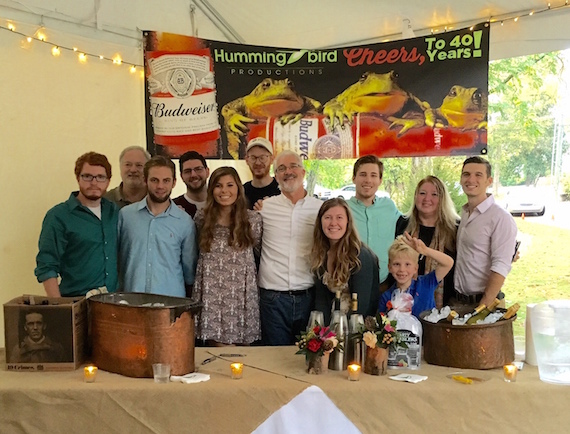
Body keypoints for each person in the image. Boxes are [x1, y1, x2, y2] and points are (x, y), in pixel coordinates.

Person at [258, 150, 322, 345]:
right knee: (275, 359)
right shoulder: (264, 208)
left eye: (293, 166)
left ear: (303, 172)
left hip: (309, 297)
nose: (288, 172)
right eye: (282, 168)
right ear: (275, 175)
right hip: (272, 300)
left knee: (309, 358)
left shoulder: (320, 209)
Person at [193, 167, 262, 345]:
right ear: (211, 190)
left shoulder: (252, 220)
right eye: (218, 185)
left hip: (240, 292)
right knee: (213, 348)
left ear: (238, 188)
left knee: (241, 352)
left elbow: (259, 253)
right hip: (211, 293)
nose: (224, 191)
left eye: (230, 185)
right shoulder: (202, 218)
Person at [35, 152, 118, 297]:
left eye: (100, 177)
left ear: (108, 181)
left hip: (112, 302)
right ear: (77, 178)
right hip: (77, 300)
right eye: (87, 176)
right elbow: (47, 264)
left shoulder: (114, 212)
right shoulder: (59, 216)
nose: (94, 182)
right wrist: (59, 307)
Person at [118, 156, 197, 297]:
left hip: (171, 304)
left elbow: (189, 272)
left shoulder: (185, 222)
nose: (160, 186)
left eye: (166, 180)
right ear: (145, 181)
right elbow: (118, 260)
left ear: (174, 182)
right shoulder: (126, 216)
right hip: (131, 302)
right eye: (154, 180)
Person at [453, 156, 517, 308]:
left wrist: (483, 307)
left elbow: (501, 265)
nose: (471, 179)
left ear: (489, 181)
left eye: (478, 175)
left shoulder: (500, 217)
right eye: (466, 174)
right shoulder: (464, 213)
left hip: (486, 303)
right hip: (459, 301)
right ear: (461, 179)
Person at [312, 198, 380, 325]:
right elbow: (321, 302)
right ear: (320, 221)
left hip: (356, 327)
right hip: (332, 327)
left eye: (339, 217)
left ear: (348, 221)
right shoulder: (322, 255)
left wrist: (341, 333)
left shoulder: (360, 256)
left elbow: (361, 306)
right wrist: (322, 333)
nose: (333, 223)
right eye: (327, 217)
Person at [395, 176, 460, 308]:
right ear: (415, 196)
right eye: (422, 193)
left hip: (444, 305)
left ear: (442, 199)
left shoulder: (455, 228)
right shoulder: (403, 223)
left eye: (434, 194)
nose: (427, 199)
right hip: (405, 303)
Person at [347, 155, 401, 286]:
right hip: (350, 283)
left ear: (380, 180)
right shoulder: (343, 209)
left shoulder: (389, 207)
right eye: (363, 175)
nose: (368, 180)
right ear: (354, 178)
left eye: (373, 175)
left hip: (384, 284)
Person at [379, 233, 454, 319]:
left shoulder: (426, 283)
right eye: (396, 264)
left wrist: (425, 250)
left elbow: (448, 263)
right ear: (389, 267)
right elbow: (382, 325)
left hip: (429, 331)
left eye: (407, 264)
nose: (402, 269)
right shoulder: (386, 296)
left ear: (416, 268)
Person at [243, 137, 281, 209]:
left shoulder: (282, 190)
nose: (257, 163)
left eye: (262, 158)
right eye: (253, 158)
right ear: (247, 160)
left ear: (272, 159)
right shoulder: (241, 192)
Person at [173, 151, 210, 218]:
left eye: (198, 169)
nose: (193, 175)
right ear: (181, 176)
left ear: (207, 172)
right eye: (187, 171)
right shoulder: (173, 208)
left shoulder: (220, 204)